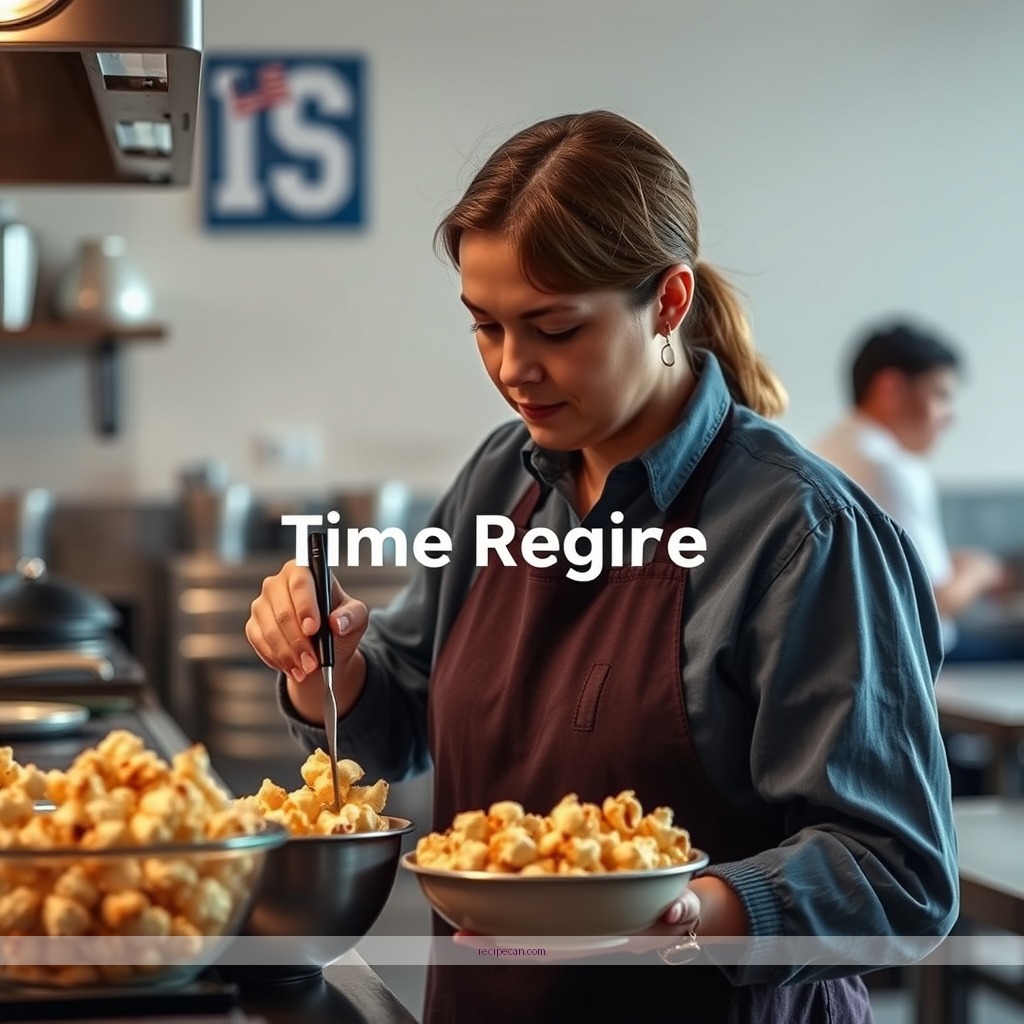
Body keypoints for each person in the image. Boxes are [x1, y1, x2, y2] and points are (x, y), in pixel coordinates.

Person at [246, 110, 958, 1024]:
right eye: (486, 326)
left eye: (554, 328)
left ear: (669, 302)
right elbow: (397, 722)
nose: (513, 368)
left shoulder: (801, 532)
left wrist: (684, 912)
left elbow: (897, 873)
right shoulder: (499, 481)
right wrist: (328, 663)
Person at [811, 323, 1012, 658]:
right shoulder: (889, 467)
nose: (950, 417)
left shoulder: (826, 449)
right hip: (912, 660)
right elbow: (930, 601)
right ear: (890, 389)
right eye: (941, 396)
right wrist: (980, 572)